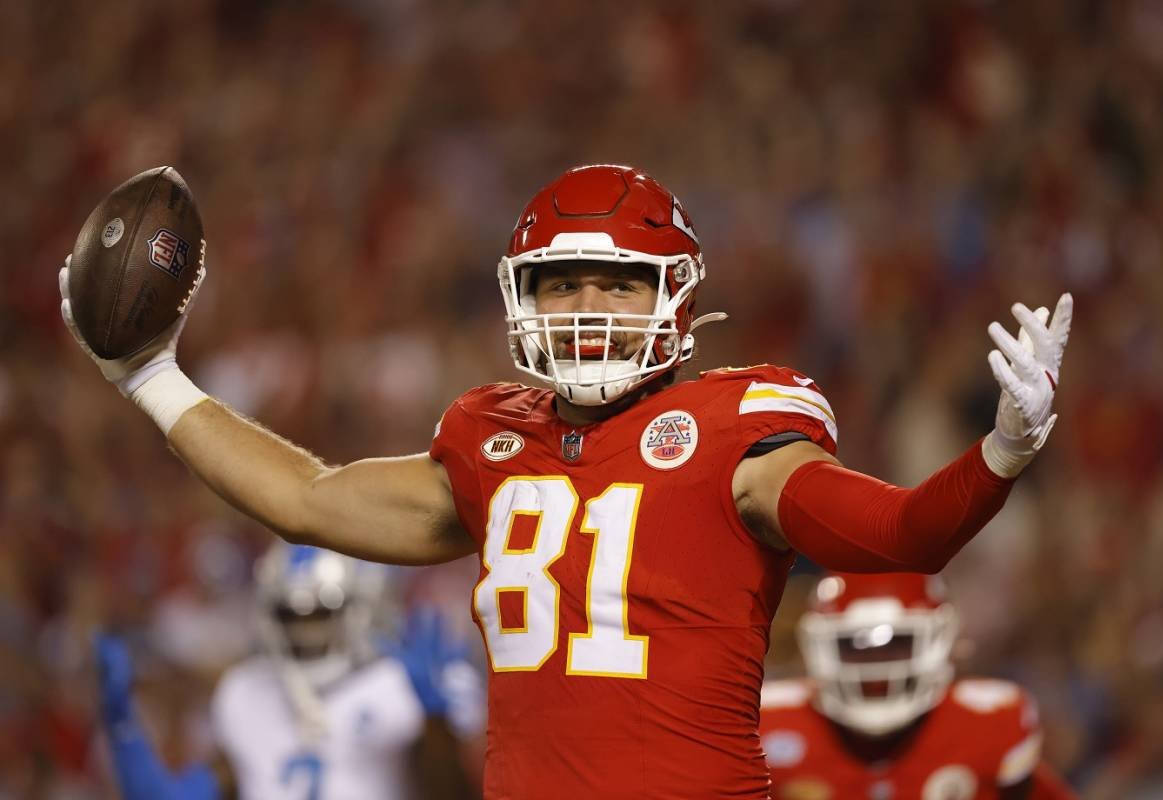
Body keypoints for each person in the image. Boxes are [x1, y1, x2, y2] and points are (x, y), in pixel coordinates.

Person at [61, 163, 1072, 798]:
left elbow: (900, 534)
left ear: (671, 296)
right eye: (562, 280)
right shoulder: (488, 439)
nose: (589, 302)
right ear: (521, 296)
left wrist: (998, 455)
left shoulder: (738, 431)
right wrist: (151, 378)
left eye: (619, 279)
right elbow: (307, 498)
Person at [95, 542, 481, 800]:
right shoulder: (246, 691)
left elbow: (457, 792)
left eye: (319, 616)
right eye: (291, 617)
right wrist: (124, 730)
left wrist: (435, 722)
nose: (305, 632)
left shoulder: (407, 684)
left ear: (364, 609)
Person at [760, 572, 1076, 800]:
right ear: (815, 647)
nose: (878, 668)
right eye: (855, 647)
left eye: (897, 646)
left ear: (943, 641)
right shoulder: (763, 727)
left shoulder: (990, 723)